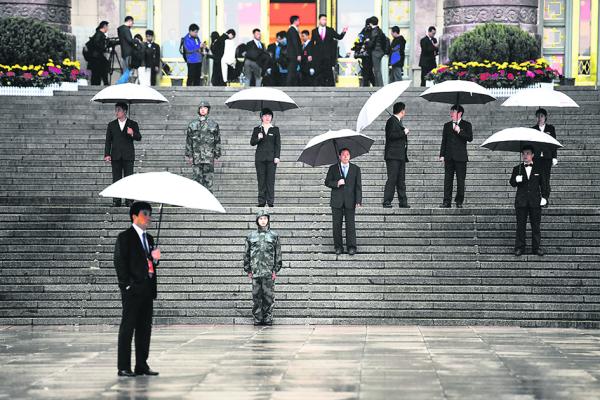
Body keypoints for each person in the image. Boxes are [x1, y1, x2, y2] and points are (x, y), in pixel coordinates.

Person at [114, 201, 161, 377]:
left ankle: (142, 364)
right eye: (145, 214)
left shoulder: (149, 239)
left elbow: (149, 262)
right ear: (134, 216)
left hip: (147, 289)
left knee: (144, 328)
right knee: (128, 328)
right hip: (132, 290)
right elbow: (119, 262)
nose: (148, 218)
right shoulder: (124, 237)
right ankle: (124, 367)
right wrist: (126, 285)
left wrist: (155, 259)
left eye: (149, 214)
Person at [243, 209, 282, 326]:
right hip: (255, 271)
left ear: (268, 220)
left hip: (268, 271)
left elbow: (278, 254)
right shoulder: (251, 236)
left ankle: (267, 317)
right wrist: (248, 269)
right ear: (257, 221)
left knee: (268, 296)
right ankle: (258, 317)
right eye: (261, 218)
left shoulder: (274, 236)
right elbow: (246, 253)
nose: (263, 221)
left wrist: (276, 269)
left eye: (265, 218)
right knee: (256, 296)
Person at [510, 145, 549, 257]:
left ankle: (536, 248)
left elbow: (545, 184)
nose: (525, 156)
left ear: (532, 155)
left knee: (536, 226)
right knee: (520, 226)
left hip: (535, 201)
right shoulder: (517, 168)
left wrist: (545, 197)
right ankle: (519, 247)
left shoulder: (539, 168)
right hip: (521, 202)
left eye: (527, 153)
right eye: (523, 153)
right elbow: (512, 183)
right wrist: (516, 180)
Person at [325, 148, 362, 256]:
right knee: (337, 225)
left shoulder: (356, 169)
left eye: (347, 154)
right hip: (337, 201)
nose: (346, 156)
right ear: (340, 156)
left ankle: (351, 247)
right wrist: (337, 183)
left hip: (350, 201)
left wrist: (358, 200)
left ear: (350, 156)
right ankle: (338, 247)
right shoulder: (333, 168)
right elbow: (327, 182)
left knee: (350, 225)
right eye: (343, 155)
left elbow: (358, 186)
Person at [104, 102, 141, 207]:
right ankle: (116, 200)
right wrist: (107, 154)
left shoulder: (133, 124)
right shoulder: (111, 125)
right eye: (116, 110)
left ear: (125, 111)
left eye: (118, 110)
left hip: (128, 156)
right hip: (115, 155)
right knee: (116, 178)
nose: (116, 112)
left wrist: (132, 133)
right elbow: (108, 141)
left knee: (129, 179)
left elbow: (139, 137)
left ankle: (129, 200)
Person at [439, 105, 473, 208]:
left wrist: (459, 131)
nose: (451, 114)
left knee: (460, 180)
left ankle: (459, 201)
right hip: (449, 157)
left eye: (453, 112)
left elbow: (470, 138)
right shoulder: (447, 125)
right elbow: (444, 141)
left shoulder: (467, 125)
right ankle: (446, 201)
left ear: (460, 113)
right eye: (451, 112)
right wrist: (442, 154)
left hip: (461, 157)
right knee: (447, 180)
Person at [185, 100, 221, 193]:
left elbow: (217, 141)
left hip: (209, 157)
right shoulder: (192, 125)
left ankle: (209, 202)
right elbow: (189, 141)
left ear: (208, 110)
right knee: (197, 180)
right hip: (196, 157)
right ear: (198, 110)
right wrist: (189, 156)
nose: (203, 110)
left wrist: (217, 156)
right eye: (201, 108)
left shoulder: (214, 124)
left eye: (205, 108)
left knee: (209, 181)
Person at [251, 108, 281, 207]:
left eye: (269, 115)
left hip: (272, 159)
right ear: (261, 117)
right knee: (261, 180)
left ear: (271, 117)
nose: (267, 117)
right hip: (260, 159)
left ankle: (270, 201)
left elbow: (278, 144)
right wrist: (258, 138)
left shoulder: (275, 129)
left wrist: (277, 156)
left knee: (270, 181)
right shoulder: (257, 129)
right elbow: (252, 143)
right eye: (265, 115)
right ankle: (261, 201)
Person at [383, 102, 410, 208]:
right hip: (393, 155)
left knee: (401, 180)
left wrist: (403, 130)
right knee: (392, 178)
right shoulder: (391, 121)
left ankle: (403, 202)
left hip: (400, 156)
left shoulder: (398, 122)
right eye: (404, 110)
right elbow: (390, 136)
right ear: (402, 110)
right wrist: (404, 132)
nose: (405, 112)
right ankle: (387, 201)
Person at [310, 14, 347, 86]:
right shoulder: (314, 31)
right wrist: (311, 54)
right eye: (323, 19)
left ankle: (330, 87)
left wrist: (343, 32)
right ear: (319, 20)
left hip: (328, 55)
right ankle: (318, 86)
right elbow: (312, 44)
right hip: (318, 56)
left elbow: (339, 37)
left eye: (325, 20)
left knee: (328, 72)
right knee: (318, 72)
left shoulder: (330, 30)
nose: (325, 21)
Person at [532, 108, 557, 205]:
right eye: (538, 116)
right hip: (536, 158)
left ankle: (545, 197)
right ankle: (538, 197)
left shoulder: (550, 129)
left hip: (547, 157)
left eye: (541, 116)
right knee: (537, 177)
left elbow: (554, 144)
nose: (539, 118)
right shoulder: (533, 129)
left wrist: (554, 157)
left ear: (545, 117)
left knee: (546, 178)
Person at [365, 16, 386, 87]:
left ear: (371, 23)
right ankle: (378, 85)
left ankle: (380, 86)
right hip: (380, 52)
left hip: (376, 52)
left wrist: (367, 42)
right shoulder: (379, 30)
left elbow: (372, 43)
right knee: (377, 69)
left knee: (377, 70)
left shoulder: (374, 31)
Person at [88, 20, 110, 85]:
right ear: (104, 26)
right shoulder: (99, 34)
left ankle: (104, 84)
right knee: (100, 73)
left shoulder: (99, 34)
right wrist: (104, 48)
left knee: (98, 74)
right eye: (107, 27)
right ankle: (105, 84)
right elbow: (96, 43)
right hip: (97, 58)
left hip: (96, 58)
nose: (108, 28)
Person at [117, 16, 135, 84]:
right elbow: (129, 40)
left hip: (123, 52)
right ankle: (120, 82)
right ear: (129, 21)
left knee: (125, 69)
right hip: (129, 52)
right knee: (128, 70)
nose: (132, 25)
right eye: (132, 23)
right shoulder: (126, 29)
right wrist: (136, 41)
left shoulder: (120, 29)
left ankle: (123, 83)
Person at [286, 16, 302, 86]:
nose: (299, 22)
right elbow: (295, 43)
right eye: (298, 20)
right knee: (292, 70)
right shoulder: (292, 30)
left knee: (293, 70)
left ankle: (291, 85)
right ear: (295, 21)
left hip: (292, 54)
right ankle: (289, 86)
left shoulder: (293, 30)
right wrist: (298, 54)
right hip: (293, 54)